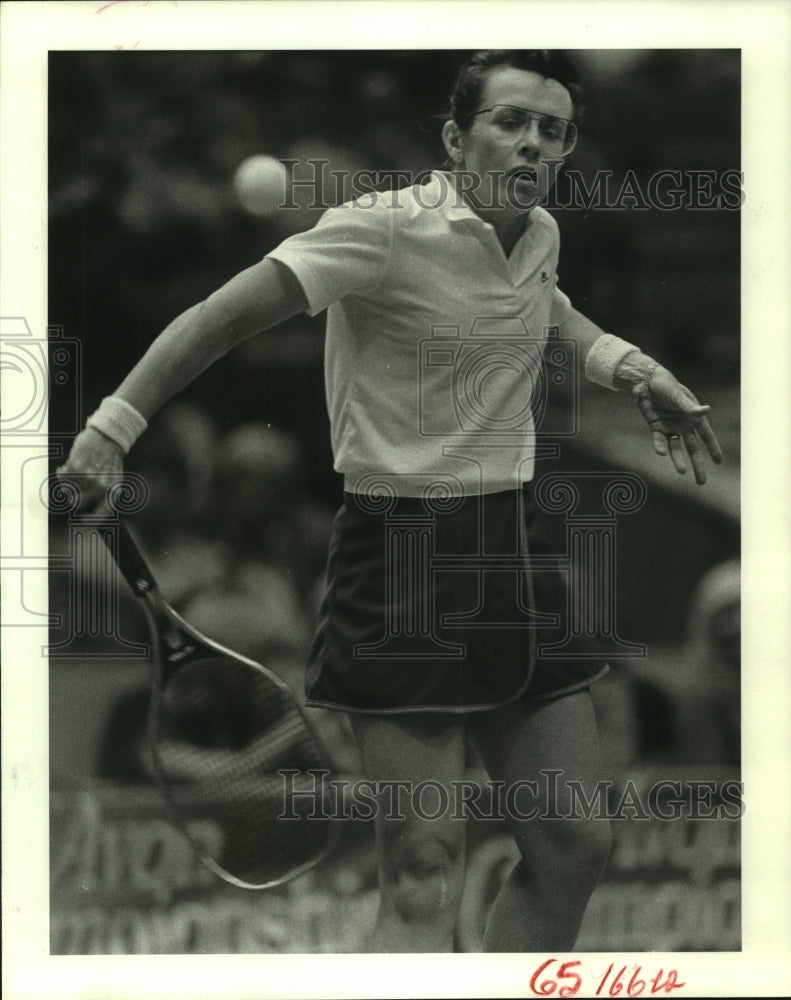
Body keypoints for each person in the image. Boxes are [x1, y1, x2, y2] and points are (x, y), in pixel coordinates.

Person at [58, 50, 723, 952]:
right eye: (509, 121)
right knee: (422, 868)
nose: (532, 141)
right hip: (402, 557)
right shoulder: (376, 229)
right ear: (456, 137)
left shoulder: (539, 234)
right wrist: (111, 427)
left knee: (573, 842)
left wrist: (630, 366)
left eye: (552, 129)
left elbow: (546, 308)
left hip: (513, 549)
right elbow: (219, 317)